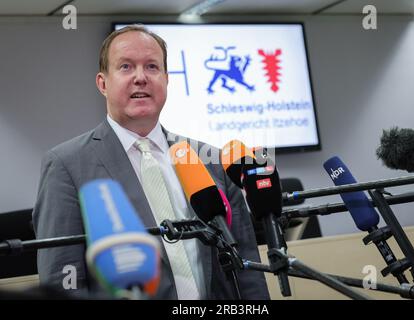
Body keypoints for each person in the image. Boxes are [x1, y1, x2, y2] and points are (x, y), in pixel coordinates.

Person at [32, 25, 270, 300]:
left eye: (152, 67)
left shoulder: (211, 160)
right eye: (125, 67)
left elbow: (247, 267)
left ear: (166, 79)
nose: (141, 78)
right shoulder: (66, 165)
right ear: (102, 83)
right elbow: (62, 278)